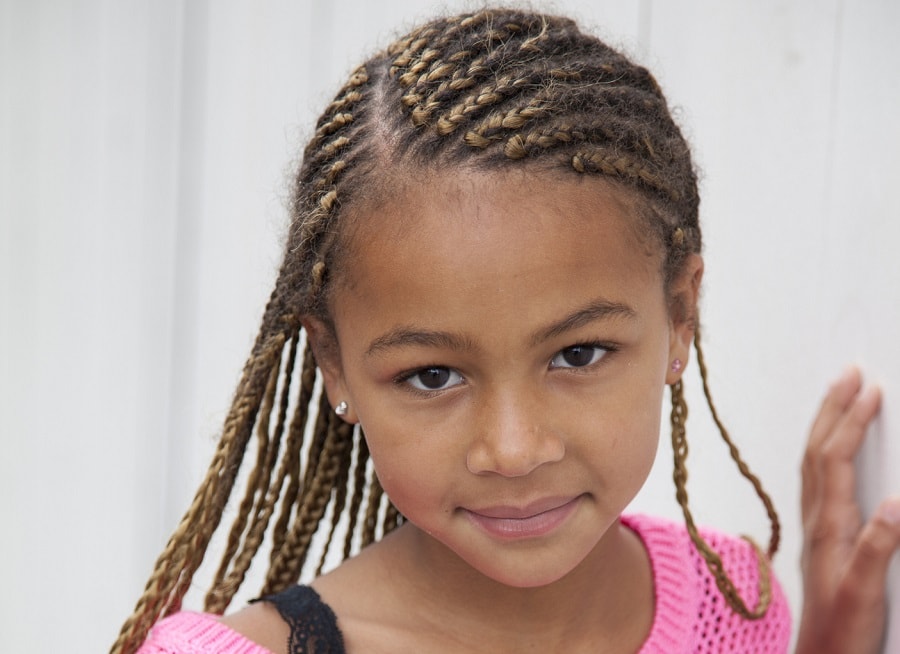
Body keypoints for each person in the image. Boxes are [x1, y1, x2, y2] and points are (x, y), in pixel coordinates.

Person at [112, 8, 900, 654]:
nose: (516, 449)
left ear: (680, 314)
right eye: (432, 375)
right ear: (335, 364)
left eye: (578, 354)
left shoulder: (734, 610)